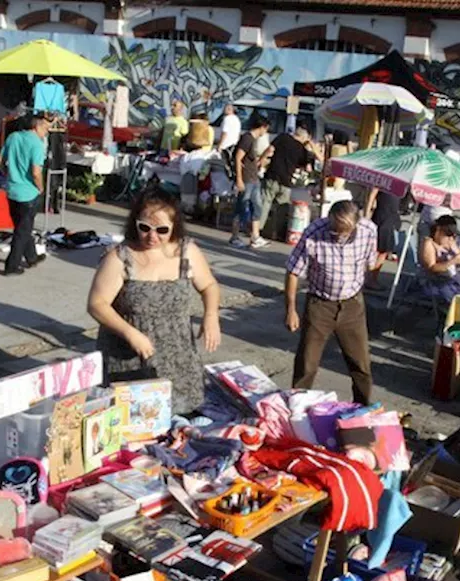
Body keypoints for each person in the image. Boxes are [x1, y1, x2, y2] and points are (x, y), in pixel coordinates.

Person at [89, 187, 222, 415]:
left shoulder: (187, 252)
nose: (152, 237)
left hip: (179, 357)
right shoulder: (119, 257)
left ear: (174, 226)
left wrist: (211, 316)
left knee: (182, 423)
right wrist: (130, 333)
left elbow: (209, 286)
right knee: (134, 422)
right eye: (145, 228)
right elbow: (97, 304)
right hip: (130, 357)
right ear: (135, 223)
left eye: (162, 230)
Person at [285, 201, 377, 405]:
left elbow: (371, 262)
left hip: (352, 304)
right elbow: (293, 272)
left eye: (344, 232)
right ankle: (297, 407)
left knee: (360, 364)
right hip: (320, 305)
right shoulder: (314, 233)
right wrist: (291, 309)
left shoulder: (369, 230)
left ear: (355, 225)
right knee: (307, 363)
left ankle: (363, 409)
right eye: (334, 231)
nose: (339, 236)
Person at [0, 112, 50, 276]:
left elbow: (2, 162)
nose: (47, 132)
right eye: (45, 128)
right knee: (22, 231)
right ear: (36, 126)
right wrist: (41, 187)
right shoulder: (36, 144)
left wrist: (11, 175)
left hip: (12, 189)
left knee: (22, 226)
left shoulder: (13, 137)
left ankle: (31, 256)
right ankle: (11, 265)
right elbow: (36, 172)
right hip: (28, 192)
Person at [262, 126, 319, 238]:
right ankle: (276, 232)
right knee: (281, 208)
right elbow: (308, 166)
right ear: (304, 137)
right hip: (286, 181)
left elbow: (269, 149)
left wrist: (261, 160)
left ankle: (258, 229)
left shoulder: (283, 137)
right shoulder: (302, 149)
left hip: (272, 175)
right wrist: (310, 145)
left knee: (265, 204)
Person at [230, 115, 271, 250]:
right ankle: (234, 236)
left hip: (253, 178)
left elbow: (253, 161)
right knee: (241, 207)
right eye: (266, 129)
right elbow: (238, 157)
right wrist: (239, 179)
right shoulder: (247, 138)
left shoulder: (252, 140)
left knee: (257, 206)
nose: (265, 133)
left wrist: (264, 156)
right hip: (246, 179)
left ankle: (255, 235)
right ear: (262, 127)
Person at [418, 214, 460, 304]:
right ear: (438, 230)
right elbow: (431, 268)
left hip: (452, 280)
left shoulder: (450, 242)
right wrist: (453, 261)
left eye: (453, 236)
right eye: (448, 235)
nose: (450, 238)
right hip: (435, 283)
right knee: (459, 301)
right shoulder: (428, 244)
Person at [364, 187, 402, 287]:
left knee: (384, 250)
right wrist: (366, 215)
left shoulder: (400, 181)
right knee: (378, 250)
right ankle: (370, 279)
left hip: (391, 216)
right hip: (382, 216)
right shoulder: (385, 179)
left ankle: (372, 278)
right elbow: (372, 194)